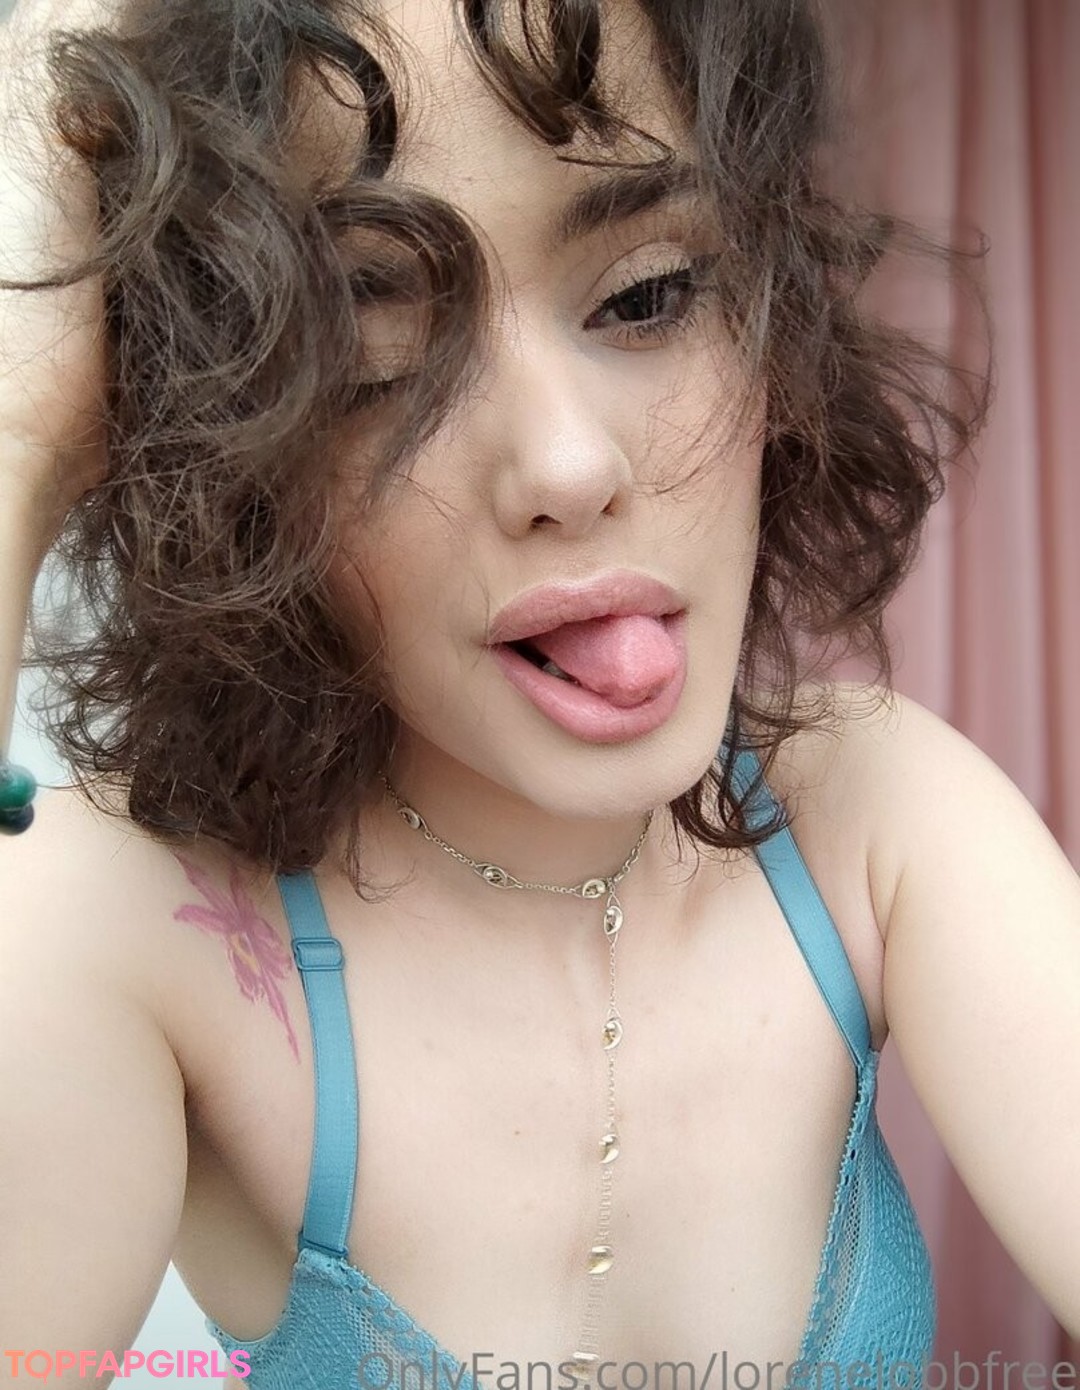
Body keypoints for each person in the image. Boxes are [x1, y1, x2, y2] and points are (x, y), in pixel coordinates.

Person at [1, 0, 1078, 1387]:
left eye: (648, 296)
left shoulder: (875, 819)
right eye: (378, 363)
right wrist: (22, 441)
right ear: (227, 439)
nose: (568, 467)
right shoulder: (132, 917)